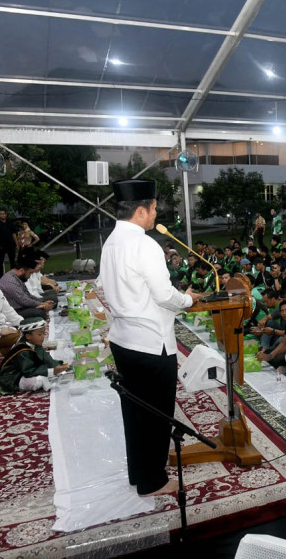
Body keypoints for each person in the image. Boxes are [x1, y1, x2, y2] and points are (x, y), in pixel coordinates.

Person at [99, 178, 202, 496]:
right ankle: (153, 481)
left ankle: (139, 473)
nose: (157, 213)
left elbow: (101, 288)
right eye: (155, 208)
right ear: (142, 210)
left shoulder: (111, 242)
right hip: (150, 343)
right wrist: (188, 300)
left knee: (135, 413)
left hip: (123, 339)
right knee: (157, 415)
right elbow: (163, 295)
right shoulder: (144, 245)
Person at [0, 317, 68, 393]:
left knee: (58, 366)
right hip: (14, 376)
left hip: (27, 370)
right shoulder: (22, 350)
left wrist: (56, 366)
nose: (43, 337)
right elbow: (28, 371)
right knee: (38, 381)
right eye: (40, 334)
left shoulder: (36, 343)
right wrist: (52, 371)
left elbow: (46, 358)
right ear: (28, 336)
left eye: (44, 333)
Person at [0, 254, 54, 319]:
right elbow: (23, 300)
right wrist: (41, 305)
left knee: (46, 305)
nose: (29, 276)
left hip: (19, 306)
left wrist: (42, 302)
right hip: (12, 311)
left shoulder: (16, 278)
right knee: (39, 312)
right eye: (30, 273)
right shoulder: (10, 281)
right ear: (22, 271)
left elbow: (27, 295)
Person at [0, 209, 18, 276]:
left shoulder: (10, 224)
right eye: (1, 214)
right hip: (0, 245)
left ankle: (13, 275)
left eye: (3, 214)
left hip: (10, 244)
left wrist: (17, 244)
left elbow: (14, 234)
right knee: (0, 261)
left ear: (6, 214)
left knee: (12, 261)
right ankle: (0, 276)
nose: (2, 215)